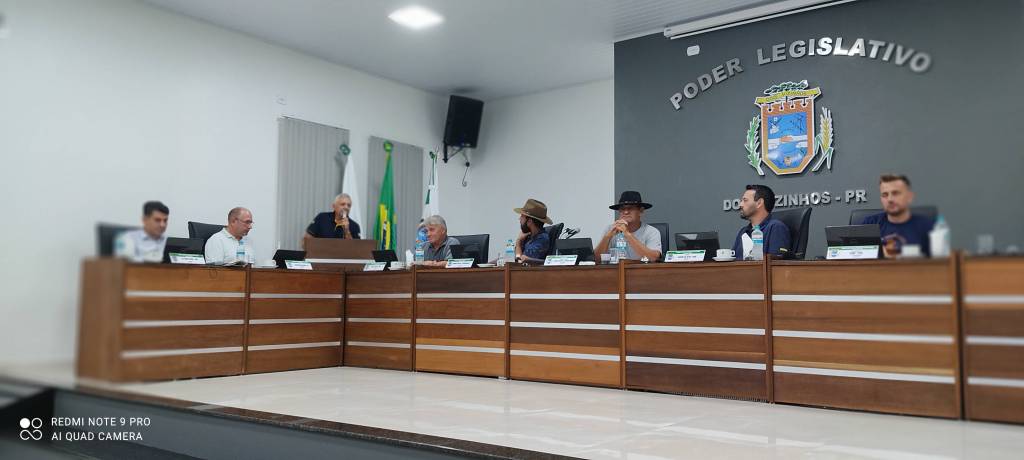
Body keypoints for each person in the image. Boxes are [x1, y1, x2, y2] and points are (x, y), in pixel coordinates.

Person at [860, 174, 935, 257]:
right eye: (885, 195)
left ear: (909, 197)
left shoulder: (927, 227)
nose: (890, 199)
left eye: (895, 193)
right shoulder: (870, 224)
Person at [595, 191, 662, 261]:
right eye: (622, 209)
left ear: (641, 211)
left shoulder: (651, 232)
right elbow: (595, 259)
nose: (626, 212)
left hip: (641, 268)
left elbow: (653, 258)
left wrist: (627, 234)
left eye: (630, 208)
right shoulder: (610, 229)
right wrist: (607, 237)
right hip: (616, 268)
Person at [731, 184, 791, 259]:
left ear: (759, 203)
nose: (740, 204)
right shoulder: (743, 232)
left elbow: (776, 262)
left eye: (745, 200)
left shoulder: (776, 227)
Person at [513, 199, 553, 264]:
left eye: (522, 216)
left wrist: (518, 242)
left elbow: (520, 262)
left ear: (529, 221)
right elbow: (514, 258)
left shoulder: (542, 239)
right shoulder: (528, 236)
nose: (519, 219)